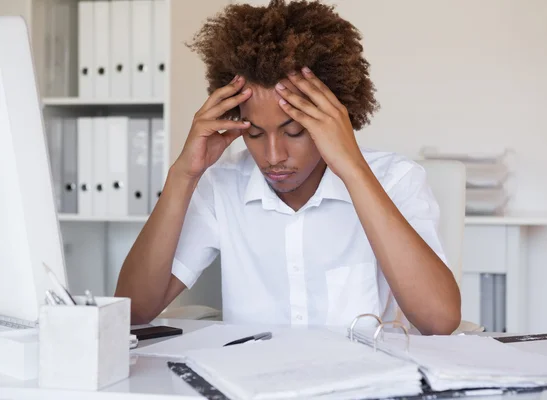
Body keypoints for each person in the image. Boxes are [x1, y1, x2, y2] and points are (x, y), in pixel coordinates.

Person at [115, 0, 461, 335]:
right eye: (253, 133)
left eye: (294, 131)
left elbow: (439, 321)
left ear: (335, 118)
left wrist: (352, 169)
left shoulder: (395, 179)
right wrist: (183, 175)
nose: (273, 155)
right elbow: (133, 311)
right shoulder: (222, 186)